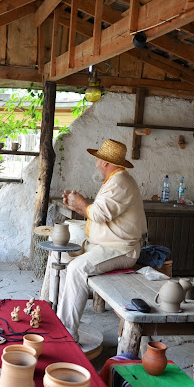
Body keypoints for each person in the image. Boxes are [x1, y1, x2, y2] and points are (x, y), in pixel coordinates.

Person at [42, 138, 147, 344]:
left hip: (121, 250)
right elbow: (97, 213)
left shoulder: (121, 182)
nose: (97, 164)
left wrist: (80, 203)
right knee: (60, 254)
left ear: (106, 163)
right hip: (103, 246)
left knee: (77, 268)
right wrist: (77, 206)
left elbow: (99, 214)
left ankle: (67, 333)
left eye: (98, 161)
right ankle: (53, 315)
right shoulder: (114, 180)